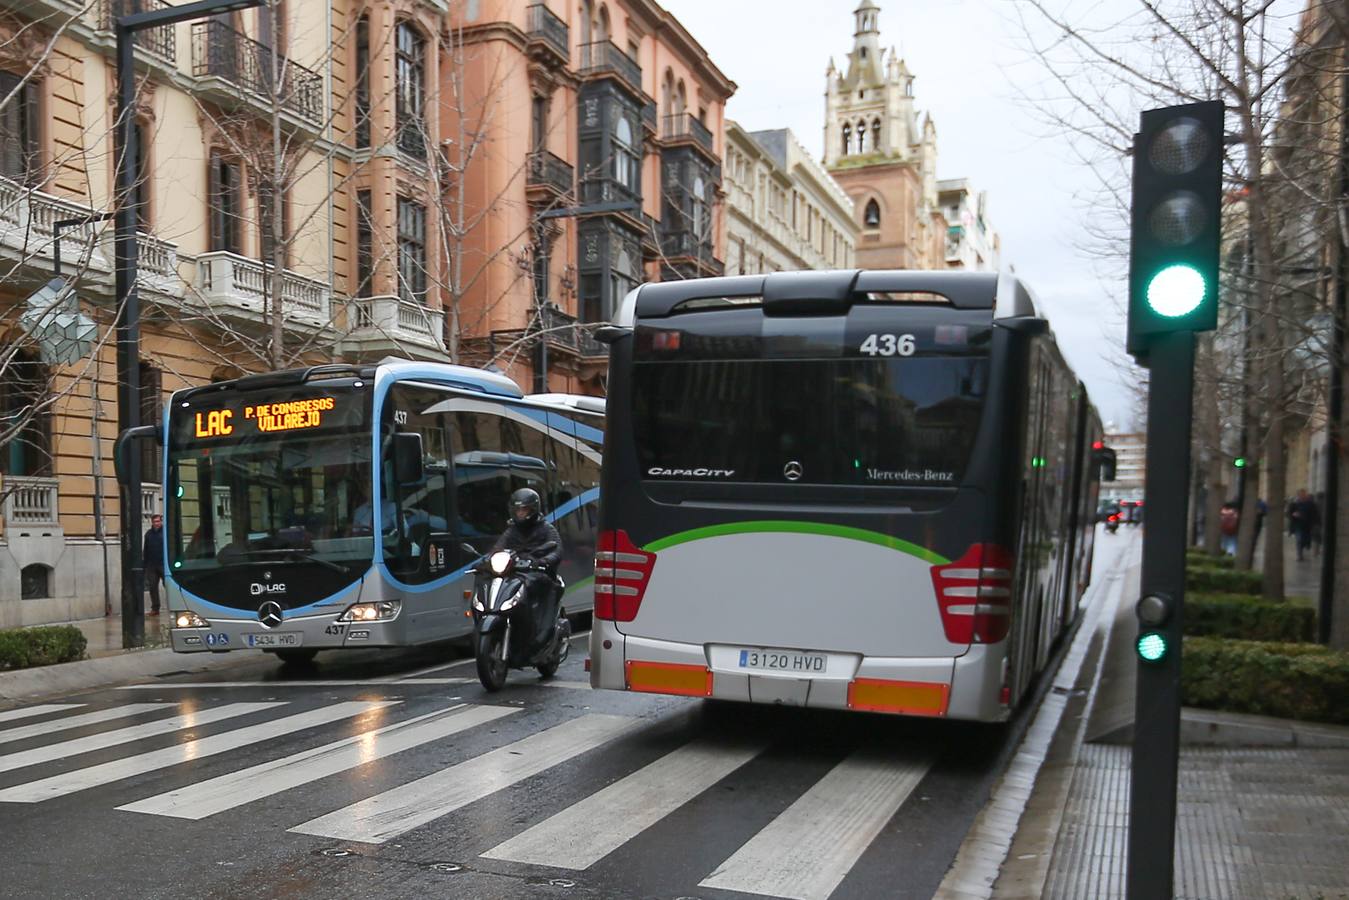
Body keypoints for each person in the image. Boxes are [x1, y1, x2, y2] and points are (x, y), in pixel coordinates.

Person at [491, 488, 563, 657]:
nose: (520, 514)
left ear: (533, 510)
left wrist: (544, 561)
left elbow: (557, 549)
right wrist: (487, 560)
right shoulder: (512, 530)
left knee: (536, 586)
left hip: (539, 574)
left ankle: (540, 632)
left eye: (524, 510)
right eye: (518, 510)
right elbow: (498, 547)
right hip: (517, 573)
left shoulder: (546, 528)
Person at [1288, 488, 1321, 562]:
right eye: (1301, 494)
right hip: (1298, 525)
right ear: (1298, 495)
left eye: (1304, 494)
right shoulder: (1294, 504)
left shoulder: (1311, 504)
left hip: (1308, 526)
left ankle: (1305, 546)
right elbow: (1289, 513)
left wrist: (1316, 523)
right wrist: (1293, 514)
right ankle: (1299, 555)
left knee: (1306, 540)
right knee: (1299, 540)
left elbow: (1315, 514)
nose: (1302, 495)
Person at [142, 513, 165, 615]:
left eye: (158, 521)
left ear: (161, 521)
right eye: (155, 522)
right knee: (152, 587)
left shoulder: (165, 533)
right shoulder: (148, 534)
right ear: (152, 523)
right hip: (152, 565)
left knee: (168, 586)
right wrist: (145, 565)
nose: (157, 523)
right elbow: (145, 550)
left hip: (163, 564)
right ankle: (155, 608)